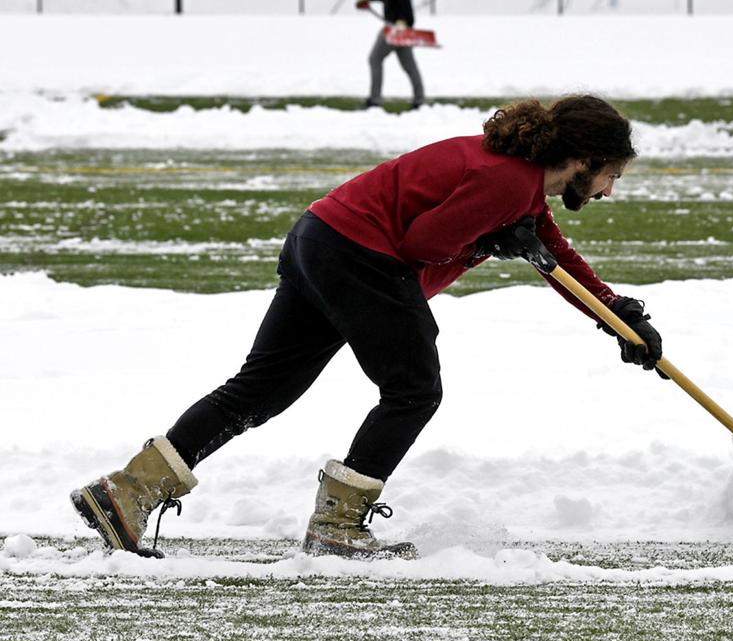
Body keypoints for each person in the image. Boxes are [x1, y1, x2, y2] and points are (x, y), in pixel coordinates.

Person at [70, 95, 667, 559]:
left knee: (259, 390)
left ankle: (126, 491)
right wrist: (492, 238)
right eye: (613, 173)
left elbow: (554, 255)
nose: (611, 189)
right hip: (361, 257)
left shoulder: (520, 180)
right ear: (584, 159)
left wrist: (616, 316)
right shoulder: (508, 182)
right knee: (413, 391)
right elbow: (424, 242)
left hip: (321, 237)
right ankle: (336, 528)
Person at [356, 0, 425, 111]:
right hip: (399, 24)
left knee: (375, 58)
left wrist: (401, 21)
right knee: (408, 63)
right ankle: (420, 99)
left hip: (397, 25)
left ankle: (375, 100)